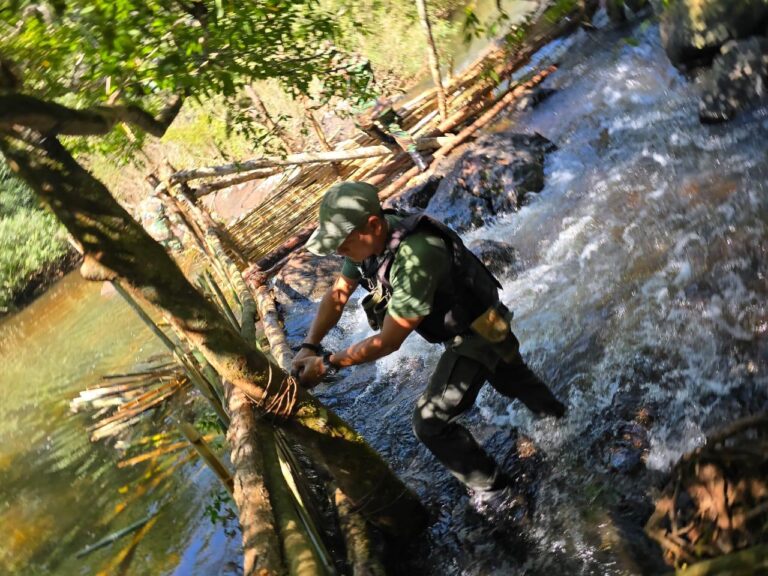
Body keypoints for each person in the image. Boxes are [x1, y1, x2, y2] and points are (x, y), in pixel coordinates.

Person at [292, 181, 565, 522]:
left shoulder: (417, 253)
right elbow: (337, 296)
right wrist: (309, 345)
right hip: (469, 329)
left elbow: (388, 342)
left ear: (373, 226)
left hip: (480, 332)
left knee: (429, 421)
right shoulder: (370, 245)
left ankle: (498, 493)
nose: (339, 254)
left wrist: (328, 364)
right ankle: (560, 421)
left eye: (342, 245)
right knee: (515, 382)